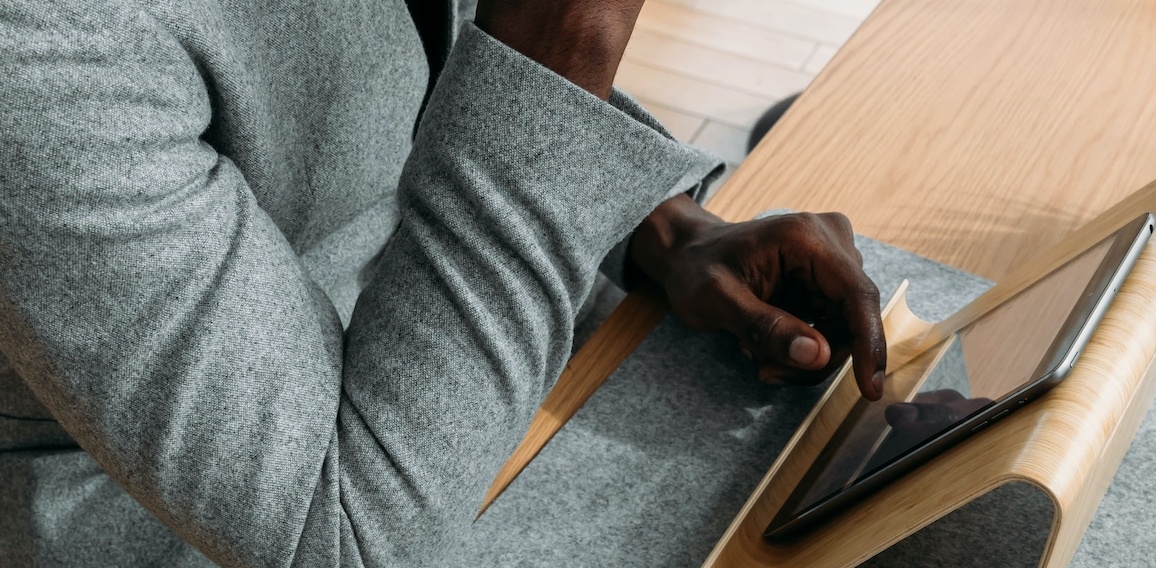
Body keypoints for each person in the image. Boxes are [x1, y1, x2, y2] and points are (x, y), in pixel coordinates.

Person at [0, 0, 886, 565]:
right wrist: (567, 43)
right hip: (215, 524)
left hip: (437, 363)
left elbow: (439, 53)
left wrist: (660, 228)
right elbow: (346, 538)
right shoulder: (41, 46)